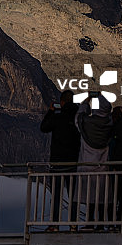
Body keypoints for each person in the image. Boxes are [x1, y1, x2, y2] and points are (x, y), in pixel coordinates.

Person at [40, 89, 81, 230]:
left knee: (56, 195)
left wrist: (51, 112)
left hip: (57, 163)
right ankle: (73, 224)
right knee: (73, 196)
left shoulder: (58, 117)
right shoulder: (78, 119)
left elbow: (44, 127)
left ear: (62, 103)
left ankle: (55, 224)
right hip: (74, 162)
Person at [75, 93, 113, 228]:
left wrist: (87, 100)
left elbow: (78, 117)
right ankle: (101, 223)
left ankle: (90, 222)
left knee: (90, 197)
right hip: (103, 167)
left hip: (87, 165)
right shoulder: (111, 125)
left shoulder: (86, 123)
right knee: (102, 197)